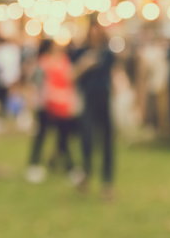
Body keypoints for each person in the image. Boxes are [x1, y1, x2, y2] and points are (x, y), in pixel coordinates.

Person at [74, 22, 117, 200]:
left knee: (106, 140)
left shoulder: (107, 54)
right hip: (88, 100)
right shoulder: (81, 54)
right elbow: (72, 74)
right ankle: (86, 172)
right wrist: (85, 65)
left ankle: (107, 181)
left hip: (103, 99)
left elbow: (112, 73)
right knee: (87, 138)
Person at [26, 39, 78, 183]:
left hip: (61, 105)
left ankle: (68, 167)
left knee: (63, 138)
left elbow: (69, 80)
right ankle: (35, 165)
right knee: (41, 135)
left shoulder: (62, 61)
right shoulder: (43, 64)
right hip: (44, 105)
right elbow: (35, 84)